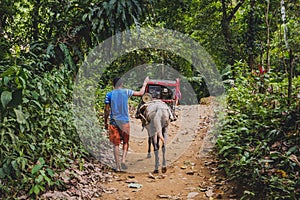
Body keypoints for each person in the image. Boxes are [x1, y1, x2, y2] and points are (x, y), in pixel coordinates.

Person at [104, 76, 149, 172]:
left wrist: (105, 121)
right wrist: (145, 83)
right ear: (122, 84)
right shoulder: (126, 92)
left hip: (113, 122)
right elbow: (141, 93)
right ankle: (123, 160)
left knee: (115, 144)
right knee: (125, 142)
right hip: (124, 121)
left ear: (113, 84)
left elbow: (106, 110)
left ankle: (117, 166)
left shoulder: (109, 94)